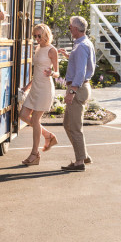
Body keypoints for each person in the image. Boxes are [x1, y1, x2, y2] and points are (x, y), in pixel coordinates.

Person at [58, 15, 96, 172]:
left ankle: (80, 161)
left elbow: (80, 72)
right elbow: (83, 65)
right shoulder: (84, 44)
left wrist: (71, 92)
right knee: (68, 124)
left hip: (77, 88)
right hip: (80, 87)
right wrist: (69, 57)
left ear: (76, 29)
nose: (69, 29)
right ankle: (83, 155)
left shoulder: (80, 47)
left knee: (74, 127)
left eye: (70, 27)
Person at [18, 23, 59, 166]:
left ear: (46, 34)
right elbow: (36, 72)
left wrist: (52, 73)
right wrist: (27, 87)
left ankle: (34, 154)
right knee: (23, 115)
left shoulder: (52, 50)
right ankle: (48, 135)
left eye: (39, 35)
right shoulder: (37, 48)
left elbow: (58, 73)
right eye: (34, 36)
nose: (36, 38)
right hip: (35, 88)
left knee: (35, 119)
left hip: (45, 89)